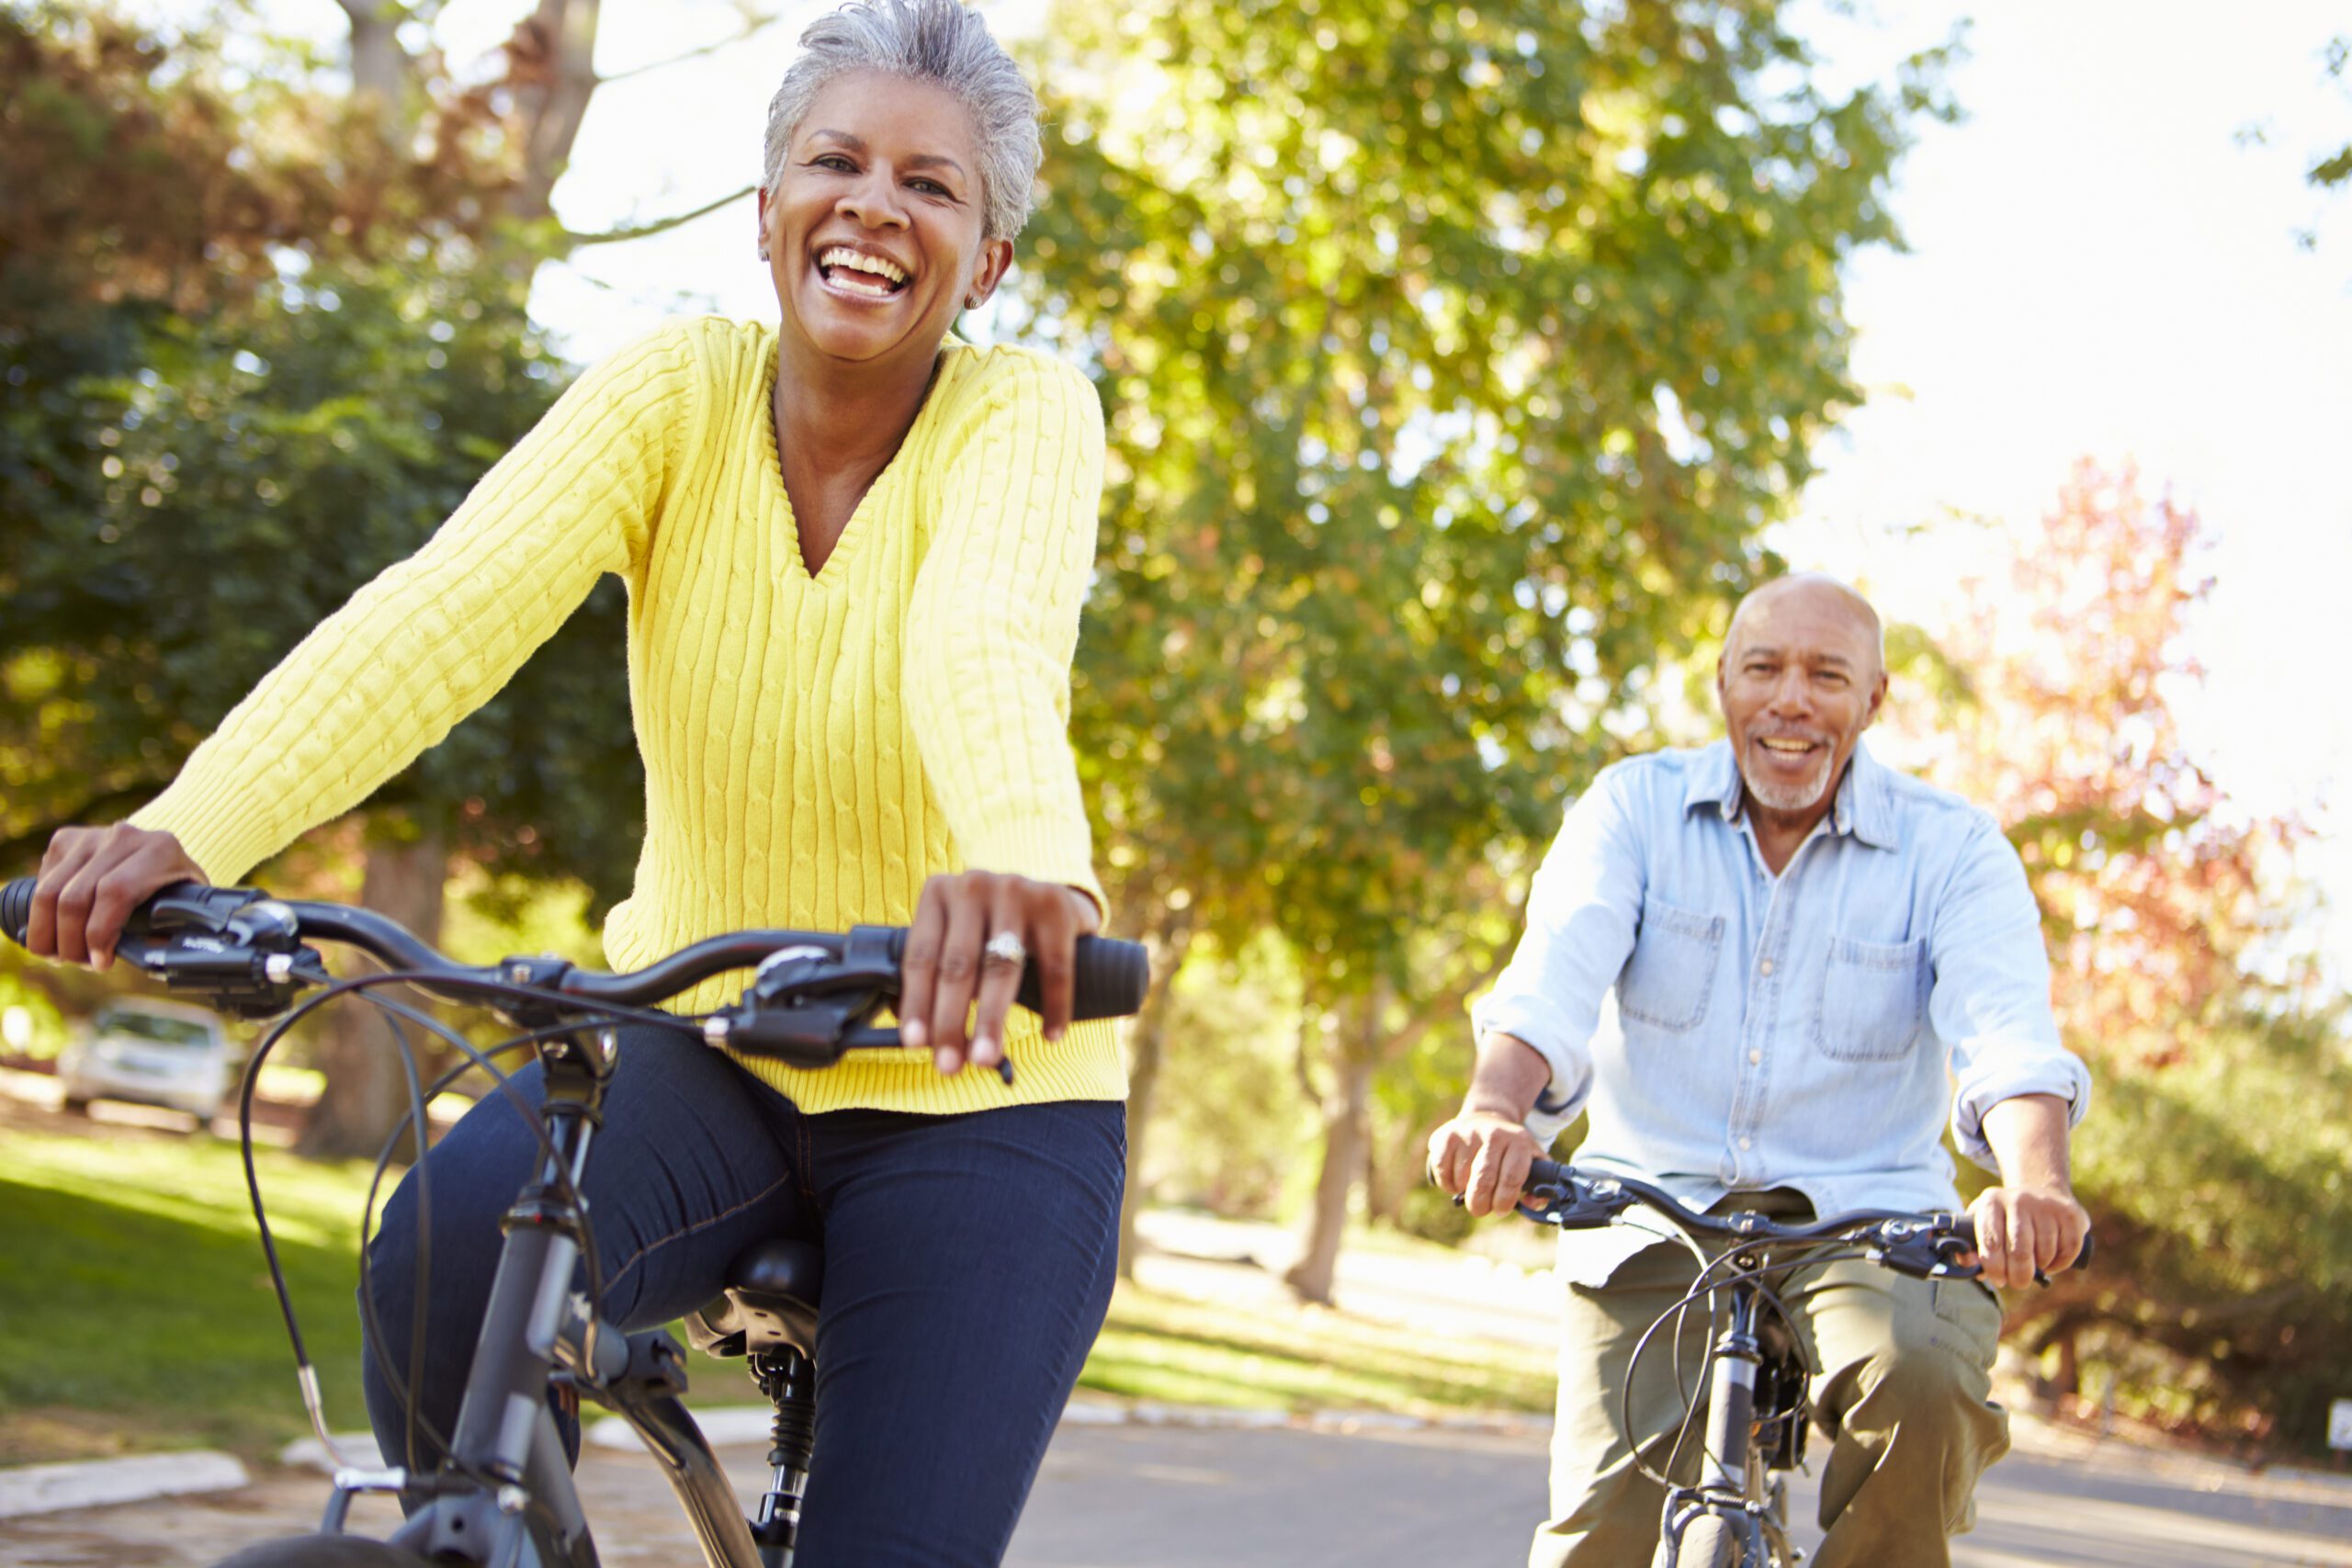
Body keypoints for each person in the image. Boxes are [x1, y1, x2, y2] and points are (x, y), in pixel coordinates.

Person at [23, 4, 1122, 1562]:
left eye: (933, 187)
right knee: (440, 1259)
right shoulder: (671, 394)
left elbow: (983, 643)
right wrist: (184, 830)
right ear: (766, 215)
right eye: (837, 161)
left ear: (988, 260)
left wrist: (1026, 868)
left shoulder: (1024, 416)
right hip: (712, 1044)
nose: (876, 205)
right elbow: (439, 612)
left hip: (985, 1096)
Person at [1428, 572, 2092, 1568]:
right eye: (1763, 669)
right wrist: (1494, 1110)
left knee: (1923, 1387)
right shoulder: (1632, 810)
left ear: (1873, 701)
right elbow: (1550, 981)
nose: (1790, 700)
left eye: (1827, 675)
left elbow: (2004, 1034)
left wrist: (2032, 1183)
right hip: (1654, 1212)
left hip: (1873, 1227)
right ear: (1723, 686)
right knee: (1595, 1536)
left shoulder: (1952, 850)